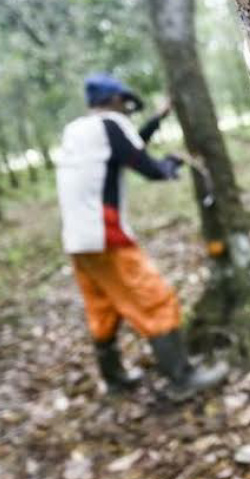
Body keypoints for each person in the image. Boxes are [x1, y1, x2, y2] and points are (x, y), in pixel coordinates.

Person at [55, 73, 226, 400]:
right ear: (115, 100)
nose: (128, 111)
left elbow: (128, 150)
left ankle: (114, 377)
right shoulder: (111, 124)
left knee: (102, 307)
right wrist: (169, 167)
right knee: (154, 298)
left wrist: (158, 119)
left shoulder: (78, 130)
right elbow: (146, 166)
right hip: (105, 235)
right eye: (127, 104)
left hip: (77, 239)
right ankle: (181, 378)